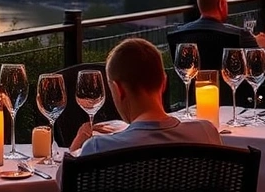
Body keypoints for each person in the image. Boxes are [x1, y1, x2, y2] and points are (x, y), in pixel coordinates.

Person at [68, 38, 221, 156]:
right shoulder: (206, 134)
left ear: (118, 89)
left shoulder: (98, 149)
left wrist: (77, 144)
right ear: (164, 81)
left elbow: (64, 188)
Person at [171, 0, 265, 50]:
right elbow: (262, 71)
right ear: (221, 5)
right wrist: (261, 48)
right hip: (231, 80)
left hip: (195, 80)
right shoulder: (240, 35)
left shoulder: (180, 34)